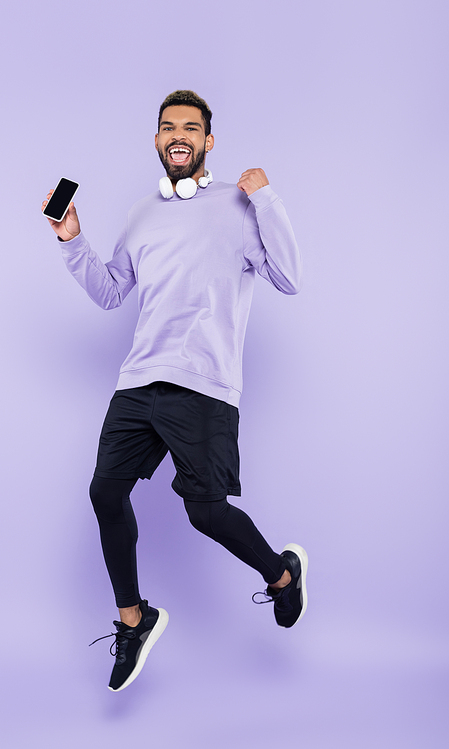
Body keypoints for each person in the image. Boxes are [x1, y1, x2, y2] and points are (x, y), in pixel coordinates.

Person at [42, 90, 307, 693]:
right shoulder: (142, 214)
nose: (178, 135)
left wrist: (265, 196)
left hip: (205, 386)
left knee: (205, 513)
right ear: (157, 140)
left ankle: (282, 575)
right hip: (139, 382)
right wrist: (71, 240)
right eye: (168, 128)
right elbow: (112, 292)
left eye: (191, 127)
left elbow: (289, 277)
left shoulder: (240, 207)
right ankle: (134, 619)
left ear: (208, 142)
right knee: (105, 491)